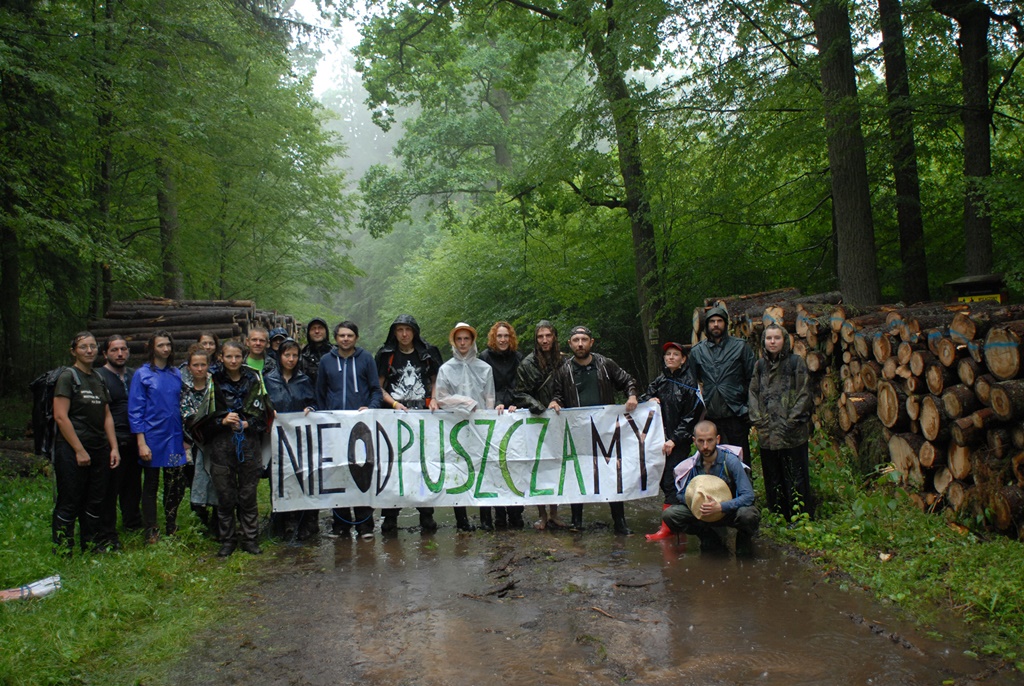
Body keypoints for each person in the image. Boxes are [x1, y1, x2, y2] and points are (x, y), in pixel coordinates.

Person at [548, 325, 640, 534]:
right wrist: (555, 402)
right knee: (577, 473)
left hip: (605, 430)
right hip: (577, 430)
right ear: (570, 344)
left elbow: (628, 380)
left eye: (584, 339)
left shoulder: (605, 364)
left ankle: (620, 521)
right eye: (575, 340)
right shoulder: (564, 370)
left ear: (591, 342)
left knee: (610, 473)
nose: (580, 344)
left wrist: (632, 394)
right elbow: (558, 394)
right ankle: (577, 521)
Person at [197, 340, 272, 556]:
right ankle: (227, 539)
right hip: (222, 444)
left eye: (237, 357)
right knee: (225, 495)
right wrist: (222, 421)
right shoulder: (214, 381)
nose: (233, 361)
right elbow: (203, 418)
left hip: (248, 443)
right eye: (229, 356)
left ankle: (250, 538)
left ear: (243, 357)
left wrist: (249, 423)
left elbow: (265, 413)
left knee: (248, 493)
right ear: (221, 357)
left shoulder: (253, 379)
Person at [51, 332, 121, 555]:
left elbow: (106, 415)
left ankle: (91, 544)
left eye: (92, 346)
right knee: (70, 498)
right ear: (74, 351)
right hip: (72, 448)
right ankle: (63, 548)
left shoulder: (99, 378)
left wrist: (114, 447)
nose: (89, 351)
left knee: (95, 499)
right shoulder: (68, 377)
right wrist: (79, 450)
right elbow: (60, 416)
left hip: (99, 447)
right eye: (83, 347)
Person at [375, 314, 443, 534]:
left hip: (424, 417)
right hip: (394, 417)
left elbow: (436, 380)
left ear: (415, 331)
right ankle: (390, 516)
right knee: (393, 466)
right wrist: (394, 404)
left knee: (424, 464)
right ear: (394, 333)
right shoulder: (386, 355)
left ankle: (426, 514)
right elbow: (379, 386)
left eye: (408, 329)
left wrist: (434, 398)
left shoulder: (428, 353)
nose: (404, 334)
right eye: (399, 330)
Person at [317, 321, 383, 539]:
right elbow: (320, 392)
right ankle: (340, 524)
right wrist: (322, 414)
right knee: (338, 472)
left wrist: (371, 408)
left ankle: (365, 525)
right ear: (336, 338)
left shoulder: (366, 359)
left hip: (360, 426)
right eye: (342, 335)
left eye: (350, 335)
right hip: (335, 425)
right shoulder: (326, 361)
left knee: (362, 471)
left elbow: (376, 390)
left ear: (356, 338)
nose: (345, 339)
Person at [430, 322, 496, 532]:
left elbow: (490, 397)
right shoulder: (446, 368)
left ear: (472, 341)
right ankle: (462, 521)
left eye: (466, 339)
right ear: (454, 342)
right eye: (459, 339)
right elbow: (441, 397)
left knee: (482, 469)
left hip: (480, 426)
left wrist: (488, 418)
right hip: (455, 426)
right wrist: (465, 403)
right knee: (458, 470)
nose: (463, 343)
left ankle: (486, 519)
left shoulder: (484, 368)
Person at [748, 323, 814, 521]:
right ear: (764, 341)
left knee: (796, 476)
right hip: (768, 434)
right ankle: (778, 515)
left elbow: (804, 394)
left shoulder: (796, 363)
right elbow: (753, 392)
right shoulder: (760, 366)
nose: (773, 342)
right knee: (773, 476)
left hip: (792, 434)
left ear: (784, 340)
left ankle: (800, 516)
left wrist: (791, 420)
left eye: (777, 338)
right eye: (769, 338)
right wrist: (758, 420)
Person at [663, 420, 760, 554]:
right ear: (694, 441)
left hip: (729, 511)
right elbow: (680, 494)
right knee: (670, 514)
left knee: (748, 515)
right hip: (703, 512)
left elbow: (748, 496)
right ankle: (708, 536)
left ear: (718, 439)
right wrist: (697, 502)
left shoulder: (730, 461)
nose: (705, 446)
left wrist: (721, 507)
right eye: (701, 441)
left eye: (710, 440)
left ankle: (743, 540)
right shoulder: (690, 465)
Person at [128, 331, 187, 544]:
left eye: (168, 345)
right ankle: (151, 528)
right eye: (161, 345)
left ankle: (172, 524)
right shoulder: (142, 374)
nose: (165, 348)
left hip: (173, 439)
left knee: (173, 483)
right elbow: (135, 410)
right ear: (152, 347)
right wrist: (141, 442)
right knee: (151, 484)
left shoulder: (175, 374)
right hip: (152, 439)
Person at [640, 341, 702, 541]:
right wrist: (649, 400)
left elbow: (692, 415)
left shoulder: (689, 382)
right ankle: (674, 524)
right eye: (668, 355)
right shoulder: (660, 380)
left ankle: (670, 527)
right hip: (659, 441)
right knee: (663, 480)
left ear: (683, 359)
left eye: (675, 354)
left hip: (678, 442)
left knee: (672, 481)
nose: (671, 358)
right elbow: (645, 397)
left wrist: (675, 439)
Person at [264, 338, 319, 540]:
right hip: (277, 439)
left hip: (301, 439)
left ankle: (306, 520)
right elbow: (261, 405)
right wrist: (270, 413)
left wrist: (311, 409)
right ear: (280, 356)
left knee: (303, 476)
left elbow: (314, 402)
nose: (291, 359)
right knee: (279, 477)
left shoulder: (304, 380)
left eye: (295, 355)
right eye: (287, 355)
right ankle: (283, 521)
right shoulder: (269, 379)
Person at [513, 320, 566, 530]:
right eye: (540, 336)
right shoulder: (527, 364)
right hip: (534, 421)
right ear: (536, 339)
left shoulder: (563, 361)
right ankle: (541, 515)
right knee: (536, 466)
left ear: (554, 337)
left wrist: (558, 401)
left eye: (548, 336)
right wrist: (538, 406)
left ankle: (554, 513)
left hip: (558, 419)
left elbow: (567, 387)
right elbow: (519, 392)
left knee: (555, 465)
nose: (544, 340)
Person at [688, 305, 756, 465]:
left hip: (736, 412)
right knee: (715, 461)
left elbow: (753, 379)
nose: (716, 324)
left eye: (719, 321)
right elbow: (693, 383)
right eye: (712, 321)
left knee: (741, 460)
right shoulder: (697, 351)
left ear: (725, 324)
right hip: (712, 415)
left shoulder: (740, 346)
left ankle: (743, 490)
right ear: (707, 325)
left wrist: (747, 407)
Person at [478, 321, 524, 529]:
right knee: (494, 463)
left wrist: (515, 402)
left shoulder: (518, 358)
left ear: (511, 338)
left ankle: (516, 511)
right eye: (499, 336)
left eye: (506, 336)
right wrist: (494, 402)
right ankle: (499, 513)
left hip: (514, 415)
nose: (503, 340)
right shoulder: (484, 358)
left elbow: (522, 384)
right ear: (493, 338)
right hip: (492, 415)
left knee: (514, 463)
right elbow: (482, 386)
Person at [94, 335, 140, 546]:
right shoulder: (99, 376)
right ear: (105, 353)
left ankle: (132, 523)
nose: (120, 354)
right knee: (110, 488)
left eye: (123, 349)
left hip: (134, 438)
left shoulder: (134, 375)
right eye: (114, 350)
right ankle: (107, 533)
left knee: (132, 485)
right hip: (111, 440)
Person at [180, 346, 218, 535]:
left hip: (215, 440)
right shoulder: (183, 389)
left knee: (216, 479)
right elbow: (185, 415)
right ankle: (199, 520)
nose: (200, 369)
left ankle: (218, 520)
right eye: (196, 365)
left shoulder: (216, 386)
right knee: (196, 478)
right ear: (189, 367)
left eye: (203, 364)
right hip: (191, 442)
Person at [300, 316, 333, 385]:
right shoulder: (303, 356)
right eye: (313, 329)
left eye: (320, 328)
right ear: (308, 333)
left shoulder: (335, 353)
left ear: (326, 331)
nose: (317, 331)